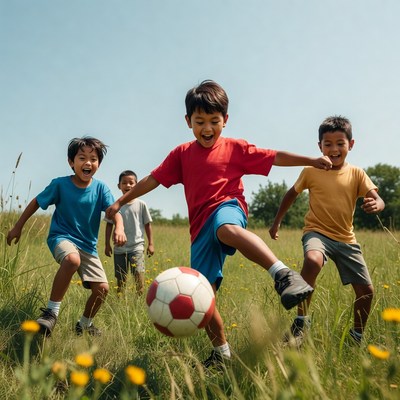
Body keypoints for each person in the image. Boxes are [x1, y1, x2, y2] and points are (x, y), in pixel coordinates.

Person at [106, 80, 332, 368]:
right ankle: (221, 353)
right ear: (188, 122)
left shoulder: (235, 149)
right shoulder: (181, 154)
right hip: (199, 229)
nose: (207, 128)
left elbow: (274, 156)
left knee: (225, 229)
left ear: (225, 120)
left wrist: (311, 160)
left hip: (228, 208)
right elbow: (152, 179)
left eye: (214, 120)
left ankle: (283, 274)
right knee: (204, 297)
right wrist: (121, 202)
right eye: (200, 121)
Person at [269, 116, 385, 346]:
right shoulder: (311, 171)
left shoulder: (357, 174)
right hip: (316, 232)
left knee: (367, 291)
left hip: (346, 239)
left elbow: (378, 198)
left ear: (350, 145)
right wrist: (277, 222)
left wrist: (377, 205)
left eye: (340, 143)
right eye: (328, 144)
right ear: (319, 146)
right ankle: (301, 322)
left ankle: (356, 337)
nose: (334, 149)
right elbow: (291, 194)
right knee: (312, 261)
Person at [7, 137, 126, 336]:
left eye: (93, 159)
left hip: (88, 245)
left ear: (98, 164)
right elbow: (37, 201)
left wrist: (119, 228)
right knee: (72, 260)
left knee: (102, 289)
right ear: (71, 162)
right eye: (82, 158)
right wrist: (18, 226)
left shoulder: (101, 188)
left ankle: (84, 325)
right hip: (61, 237)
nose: (88, 163)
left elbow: (114, 211)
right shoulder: (60, 185)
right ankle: (50, 314)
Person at [105, 170, 154, 294]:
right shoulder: (115, 206)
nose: (128, 186)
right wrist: (107, 244)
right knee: (120, 279)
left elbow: (147, 224)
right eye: (124, 183)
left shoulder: (141, 204)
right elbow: (109, 225)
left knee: (139, 276)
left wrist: (151, 244)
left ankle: (138, 300)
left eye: (131, 183)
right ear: (119, 186)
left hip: (136, 247)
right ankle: (120, 301)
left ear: (137, 185)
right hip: (119, 249)